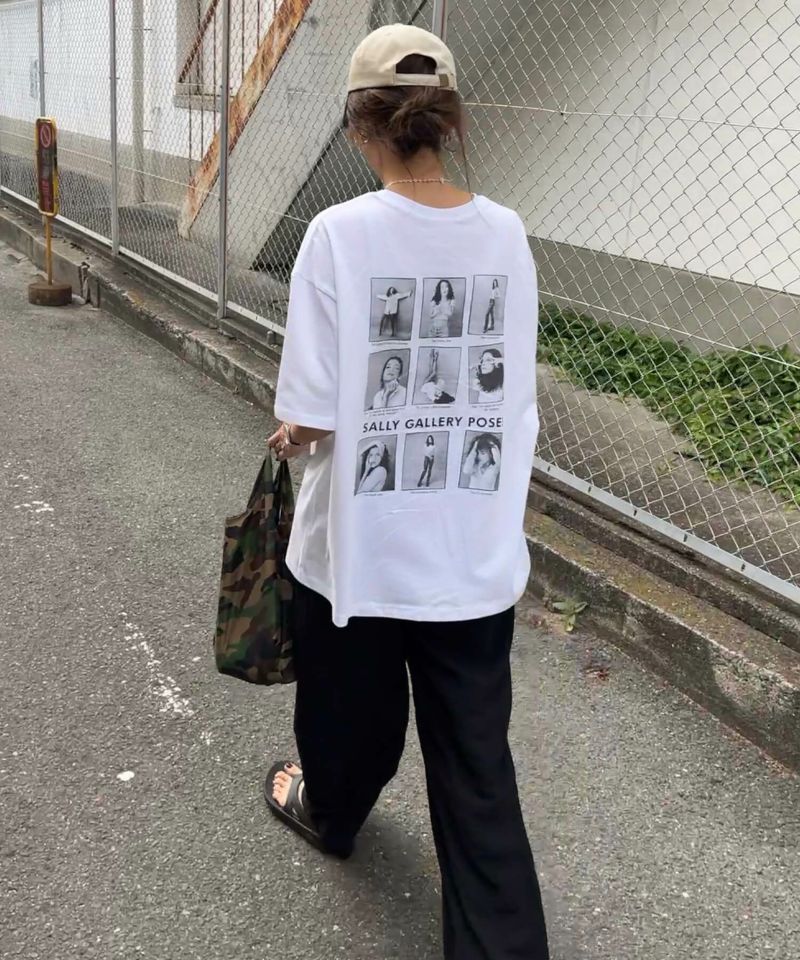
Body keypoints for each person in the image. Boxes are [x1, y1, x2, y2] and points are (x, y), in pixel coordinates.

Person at [266, 23, 548, 960]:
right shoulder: (506, 233)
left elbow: (311, 414)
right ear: (449, 120)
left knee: (347, 721)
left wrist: (291, 433)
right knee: (477, 769)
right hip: (472, 549)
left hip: (360, 550)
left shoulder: (337, 234)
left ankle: (331, 811)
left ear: (358, 127)